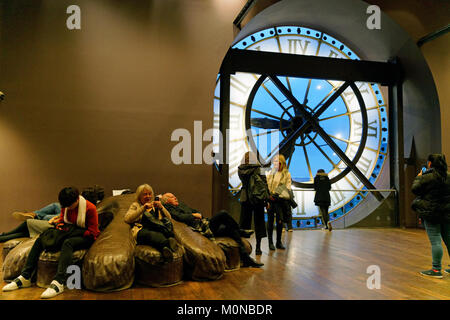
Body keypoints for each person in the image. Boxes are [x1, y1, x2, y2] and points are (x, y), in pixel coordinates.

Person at [2, 187, 100, 299]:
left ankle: (59, 282)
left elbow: (93, 232)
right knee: (41, 238)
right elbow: (63, 221)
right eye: (65, 206)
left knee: (68, 243)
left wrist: (72, 232)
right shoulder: (66, 207)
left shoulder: (90, 208)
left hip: (86, 236)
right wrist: (61, 229)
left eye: (70, 206)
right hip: (69, 231)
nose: (68, 208)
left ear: (77, 200)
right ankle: (25, 276)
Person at [161, 193, 263, 268]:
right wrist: (193, 215)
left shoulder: (181, 205)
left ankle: (246, 258)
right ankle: (241, 231)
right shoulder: (169, 208)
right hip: (202, 228)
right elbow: (181, 217)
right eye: (171, 197)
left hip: (205, 222)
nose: (175, 197)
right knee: (223, 214)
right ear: (166, 201)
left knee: (231, 230)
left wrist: (196, 214)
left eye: (174, 196)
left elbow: (197, 212)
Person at [411, 154, 450, 278]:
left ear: (430, 163)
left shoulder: (427, 177)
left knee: (435, 241)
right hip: (447, 213)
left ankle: (436, 270)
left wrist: (418, 177)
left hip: (431, 213)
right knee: (449, 240)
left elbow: (415, 190)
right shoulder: (448, 176)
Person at [124, 184, 178, 262]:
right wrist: (143, 208)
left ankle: (166, 248)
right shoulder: (135, 205)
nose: (148, 196)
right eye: (145, 194)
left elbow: (169, 218)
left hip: (156, 227)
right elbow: (127, 219)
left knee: (165, 232)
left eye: (150, 194)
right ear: (139, 196)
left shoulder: (155, 204)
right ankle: (167, 244)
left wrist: (161, 207)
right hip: (142, 230)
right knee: (153, 235)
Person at [238, 151, 269, 255]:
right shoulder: (259, 168)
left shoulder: (240, 169)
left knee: (244, 223)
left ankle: (244, 247)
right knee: (259, 223)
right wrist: (267, 200)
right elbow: (264, 184)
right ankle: (258, 247)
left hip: (245, 198)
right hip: (257, 198)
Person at [266, 154, 292, 250]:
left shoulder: (286, 174)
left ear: (281, 163)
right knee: (271, 222)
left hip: (278, 200)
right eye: (274, 161)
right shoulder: (271, 173)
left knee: (279, 222)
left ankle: (277, 242)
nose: (275, 163)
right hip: (274, 200)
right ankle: (271, 242)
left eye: (277, 161)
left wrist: (274, 195)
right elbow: (286, 187)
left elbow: (288, 187)